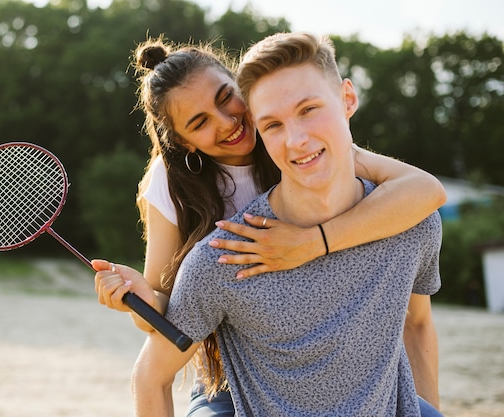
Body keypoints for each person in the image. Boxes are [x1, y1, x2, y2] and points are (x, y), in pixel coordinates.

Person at [94, 36, 445, 416]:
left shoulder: (305, 143)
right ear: (184, 142)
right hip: (232, 377)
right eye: (200, 123)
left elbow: (425, 191)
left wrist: (313, 242)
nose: (228, 122)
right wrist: (143, 302)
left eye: (226, 98)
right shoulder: (172, 185)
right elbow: (175, 311)